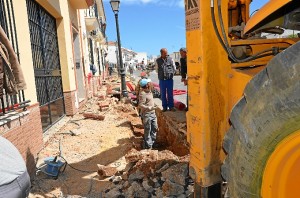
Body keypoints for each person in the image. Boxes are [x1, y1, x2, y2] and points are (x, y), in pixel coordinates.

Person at [138, 78, 158, 149]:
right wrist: (149, 108)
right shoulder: (142, 93)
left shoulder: (149, 91)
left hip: (153, 113)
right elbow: (140, 105)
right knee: (148, 129)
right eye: (149, 83)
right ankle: (148, 145)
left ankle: (152, 142)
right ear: (146, 85)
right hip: (147, 114)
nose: (150, 84)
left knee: (155, 128)